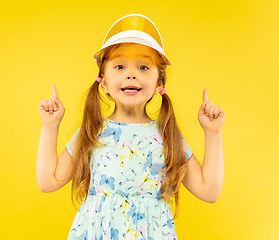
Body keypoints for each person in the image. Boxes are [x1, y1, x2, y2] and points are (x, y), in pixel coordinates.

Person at [36, 13, 225, 240]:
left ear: (159, 84)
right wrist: (50, 126)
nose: (131, 74)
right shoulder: (91, 132)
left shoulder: (166, 136)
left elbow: (209, 191)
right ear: (103, 81)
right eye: (120, 66)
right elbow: (47, 182)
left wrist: (213, 133)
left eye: (144, 67)